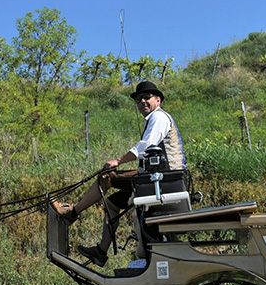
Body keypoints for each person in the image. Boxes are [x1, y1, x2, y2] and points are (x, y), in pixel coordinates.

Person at [52, 80, 186, 266]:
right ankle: (101, 251)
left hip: (164, 179)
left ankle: (73, 212)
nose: (142, 102)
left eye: (147, 98)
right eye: (139, 100)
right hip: (155, 178)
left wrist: (118, 161)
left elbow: (145, 146)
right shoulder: (154, 119)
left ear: (158, 100)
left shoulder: (159, 118)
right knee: (112, 203)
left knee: (106, 178)